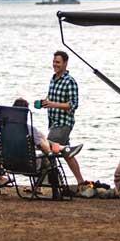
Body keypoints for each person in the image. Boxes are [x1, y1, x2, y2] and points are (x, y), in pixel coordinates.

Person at [41, 50, 87, 188]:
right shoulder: (53, 79)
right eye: (54, 62)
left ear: (65, 63)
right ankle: (81, 182)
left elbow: (73, 105)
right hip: (54, 122)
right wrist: (45, 102)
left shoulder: (70, 82)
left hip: (64, 123)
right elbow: (51, 98)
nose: (55, 64)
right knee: (67, 153)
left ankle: (43, 185)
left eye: (58, 62)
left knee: (47, 151)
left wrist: (53, 104)